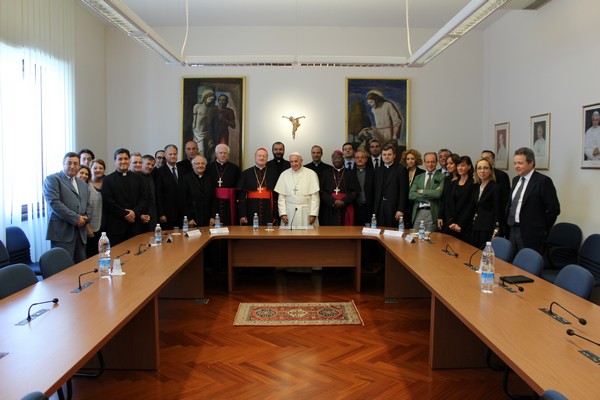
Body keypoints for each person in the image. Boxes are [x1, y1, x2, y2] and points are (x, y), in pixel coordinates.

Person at [506, 147, 560, 254]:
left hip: (531, 233)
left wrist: (542, 228)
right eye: (515, 163)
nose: (516, 166)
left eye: (520, 163)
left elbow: (554, 209)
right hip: (512, 228)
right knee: (510, 263)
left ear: (531, 163)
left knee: (526, 265)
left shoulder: (543, 181)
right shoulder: (516, 179)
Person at [43, 152, 92, 263]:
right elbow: (54, 203)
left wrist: (85, 218)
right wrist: (76, 218)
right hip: (62, 233)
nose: (72, 166)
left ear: (79, 165)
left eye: (75, 163)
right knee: (62, 269)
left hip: (81, 233)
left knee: (81, 267)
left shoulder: (83, 183)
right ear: (63, 164)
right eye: (69, 163)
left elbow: (88, 204)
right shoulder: (53, 179)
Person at [102, 148, 150, 245]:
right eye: (120, 159)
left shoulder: (139, 179)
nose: (123, 161)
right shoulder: (108, 179)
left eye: (126, 159)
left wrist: (135, 213)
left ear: (129, 161)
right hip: (116, 227)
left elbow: (144, 199)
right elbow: (108, 202)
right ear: (115, 161)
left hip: (135, 226)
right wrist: (126, 214)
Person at [274, 152, 320, 228]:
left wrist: (313, 214)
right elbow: (281, 198)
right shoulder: (284, 174)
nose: (293, 164)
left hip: (306, 211)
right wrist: (283, 213)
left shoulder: (311, 174)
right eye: (291, 162)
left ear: (301, 161)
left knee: (308, 236)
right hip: (289, 211)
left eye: (296, 161)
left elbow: (315, 198)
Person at [438, 155, 475, 242]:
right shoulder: (453, 183)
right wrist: (451, 222)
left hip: (463, 225)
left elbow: (470, 206)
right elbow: (447, 203)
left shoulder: (473, 184)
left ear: (469, 166)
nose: (460, 168)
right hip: (450, 224)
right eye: (458, 165)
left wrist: (460, 224)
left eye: (463, 165)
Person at [237, 148, 278, 226]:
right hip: (250, 208)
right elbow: (241, 197)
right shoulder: (246, 173)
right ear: (255, 157)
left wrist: (275, 215)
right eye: (259, 156)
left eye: (264, 156)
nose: (262, 158)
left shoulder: (273, 174)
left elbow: (276, 197)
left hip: (268, 209)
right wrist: (242, 214)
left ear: (267, 158)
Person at [319, 150, 360, 226]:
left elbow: (356, 192)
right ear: (332, 160)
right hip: (330, 208)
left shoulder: (350, 173)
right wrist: (333, 201)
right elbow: (322, 192)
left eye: (338, 158)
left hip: (346, 206)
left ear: (343, 159)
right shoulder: (326, 173)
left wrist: (344, 201)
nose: (336, 160)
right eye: (334, 158)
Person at [373, 144, 409, 227]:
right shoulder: (378, 170)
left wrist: (401, 209)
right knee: (380, 230)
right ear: (381, 156)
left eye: (389, 154)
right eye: (384, 154)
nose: (386, 157)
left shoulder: (401, 169)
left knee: (392, 232)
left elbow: (404, 191)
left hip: (394, 207)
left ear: (394, 156)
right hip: (380, 207)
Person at [408, 152, 444, 232]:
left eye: (432, 162)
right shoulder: (418, 177)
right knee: (415, 238)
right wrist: (428, 196)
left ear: (436, 162)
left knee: (430, 240)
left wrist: (420, 191)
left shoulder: (442, 177)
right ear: (424, 162)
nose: (430, 164)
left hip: (432, 213)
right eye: (427, 162)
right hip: (418, 212)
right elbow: (411, 194)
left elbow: (438, 194)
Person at [471, 158, 503, 248]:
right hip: (476, 225)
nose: (482, 171)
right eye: (479, 168)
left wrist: (496, 228)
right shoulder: (477, 186)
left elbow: (498, 209)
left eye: (485, 168)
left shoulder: (495, 187)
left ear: (490, 170)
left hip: (488, 228)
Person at [206, 143, 240, 226]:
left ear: (228, 154)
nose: (223, 155)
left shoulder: (234, 168)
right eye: (220, 153)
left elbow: (238, 186)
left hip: (229, 203)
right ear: (216, 154)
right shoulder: (208, 168)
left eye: (225, 153)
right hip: (213, 201)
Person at [155, 144, 186, 230]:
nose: (173, 156)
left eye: (175, 154)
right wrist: (161, 213)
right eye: (170, 154)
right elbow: (158, 194)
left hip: (182, 214)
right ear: (165, 155)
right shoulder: (159, 172)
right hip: (167, 214)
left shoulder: (183, 170)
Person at [481, 149, 510, 232]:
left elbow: (505, 199)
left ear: (493, 160)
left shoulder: (501, 175)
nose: (484, 160)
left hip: (495, 216)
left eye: (487, 158)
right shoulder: (479, 174)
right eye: (482, 158)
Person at [183, 155, 214, 227]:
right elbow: (183, 200)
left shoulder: (209, 178)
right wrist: (188, 218)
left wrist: (213, 216)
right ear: (192, 165)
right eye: (197, 163)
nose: (200, 165)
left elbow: (213, 199)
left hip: (207, 218)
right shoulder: (186, 179)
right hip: (193, 217)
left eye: (203, 163)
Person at [86, 159, 105, 257]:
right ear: (90, 169)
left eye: (101, 168)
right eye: (95, 168)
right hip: (92, 227)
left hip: (106, 226)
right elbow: (83, 208)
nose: (98, 170)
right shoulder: (86, 185)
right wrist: (87, 227)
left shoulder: (107, 183)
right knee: (92, 255)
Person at [192, 86, 217, 160]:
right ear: (205, 97)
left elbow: (212, 120)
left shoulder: (213, 109)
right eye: (209, 98)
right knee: (201, 152)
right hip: (198, 133)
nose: (210, 100)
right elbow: (194, 120)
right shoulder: (197, 106)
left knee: (212, 150)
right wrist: (194, 129)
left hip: (208, 132)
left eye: (212, 99)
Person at [353, 150, 375, 227]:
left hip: (368, 207)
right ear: (354, 160)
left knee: (368, 233)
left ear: (366, 159)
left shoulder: (373, 172)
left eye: (362, 157)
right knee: (354, 232)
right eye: (357, 157)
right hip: (354, 207)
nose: (360, 159)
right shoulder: (349, 173)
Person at [141, 154, 157, 231]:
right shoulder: (137, 178)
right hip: (142, 215)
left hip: (152, 214)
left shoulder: (151, 176)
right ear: (142, 163)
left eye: (152, 165)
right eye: (148, 164)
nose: (150, 167)